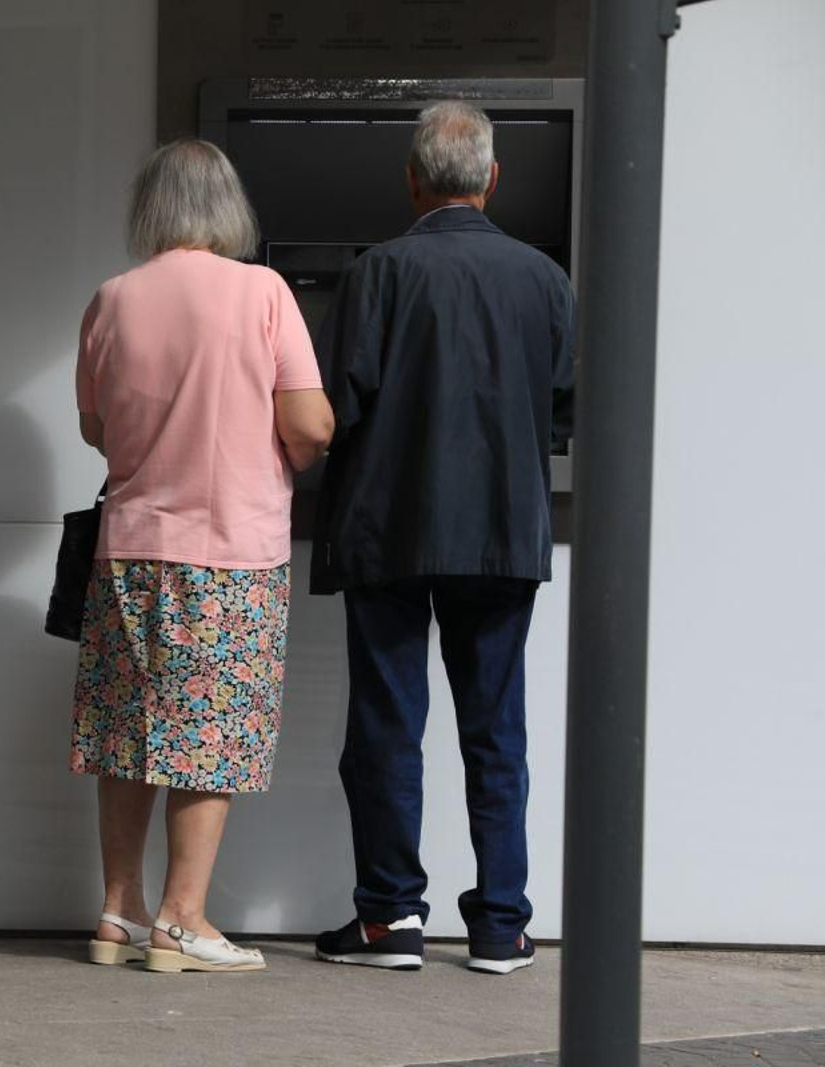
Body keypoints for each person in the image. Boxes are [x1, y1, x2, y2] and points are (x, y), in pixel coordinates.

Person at [309, 101, 575, 975]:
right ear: (492, 179)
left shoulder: (377, 272)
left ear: (413, 180)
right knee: (496, 730)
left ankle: (391, 918)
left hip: (390, 528)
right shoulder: (544, 278)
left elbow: (336, 406)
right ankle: (500, 925)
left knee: (388, 723)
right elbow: (566, 408)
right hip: (501, 531)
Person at [70, 140, 334, 974]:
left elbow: (95, 428)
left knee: (129, 730)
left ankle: (118, 911)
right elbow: (311, 424)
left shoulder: (112, 299)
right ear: (229, 206)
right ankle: (182, 920)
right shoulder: (263, 291)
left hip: (128, 550)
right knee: (209, 734)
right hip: (231, 556)